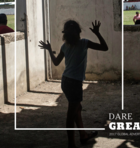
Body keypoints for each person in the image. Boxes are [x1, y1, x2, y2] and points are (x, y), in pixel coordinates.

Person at [38, 20, 108, 148]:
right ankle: (71, 144)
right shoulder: (84, 43)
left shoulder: (65, 46)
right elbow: (105, 47)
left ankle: (83, 135)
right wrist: (97, 33)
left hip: (65, 82)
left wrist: (49, 49)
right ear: (79, 32)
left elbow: (56, 62)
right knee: (71, 115)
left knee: (77, 109)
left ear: (65, 34)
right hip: (75, 83)